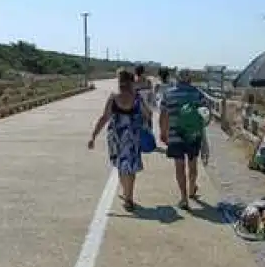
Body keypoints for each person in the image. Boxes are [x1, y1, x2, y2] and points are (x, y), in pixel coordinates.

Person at [88, 68, 153, 211]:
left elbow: (104, 118)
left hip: (116, 137)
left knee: (121, 165)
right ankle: (129, 197)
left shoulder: (113, 97)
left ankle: (126, 195)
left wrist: (93, 136)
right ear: (131, 82)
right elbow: (148, 115)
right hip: (133, 137)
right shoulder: (137, 98)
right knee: (131, 168)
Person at [159, 68, 206, 210]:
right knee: (192, 164)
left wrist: (163, 132)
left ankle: (184, 198)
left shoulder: (168, 94)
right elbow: (204, 115)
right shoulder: (197, 93)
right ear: (190, 79)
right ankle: (192, 189)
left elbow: (163, 115)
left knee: (179, 166)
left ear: (177, 79)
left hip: (175, 135)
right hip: (193, 135)